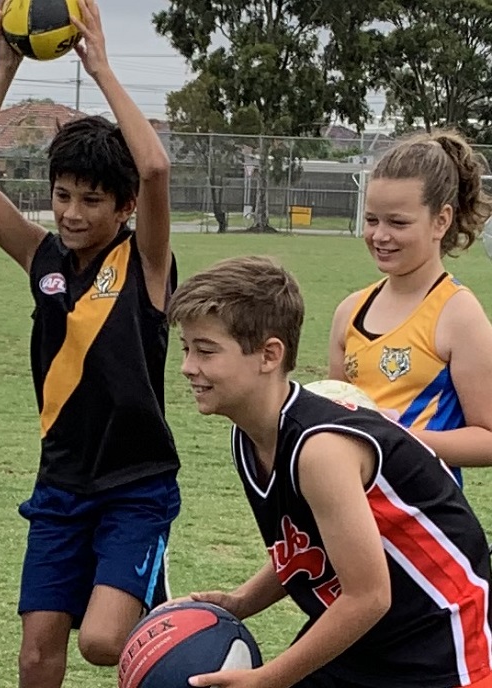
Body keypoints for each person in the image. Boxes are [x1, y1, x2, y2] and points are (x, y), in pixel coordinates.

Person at [0, 1, 181, 685]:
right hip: (60, 483)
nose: (73, 214)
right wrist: (4, 67)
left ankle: (163, 606)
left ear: (124, 207)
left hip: (136, 486)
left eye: (92, 201)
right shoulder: (42, 259)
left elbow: (158, 170)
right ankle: (145, 594)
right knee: (37, 652)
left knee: (104, 644)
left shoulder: (148, 264)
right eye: (63, 196)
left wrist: (100, 66)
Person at [170, 255, 492, 688]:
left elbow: (369, 596)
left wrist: (269, 678)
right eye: (186, 348)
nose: (189, 366)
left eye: (206, 351)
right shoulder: (249, 433)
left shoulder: (320, 450)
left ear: (269, 355)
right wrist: (243, 600)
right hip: (365, 634)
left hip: (436, 643)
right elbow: (307, 547)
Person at [328, 130, 492, 483]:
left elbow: (489, 439)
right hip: (351, 514)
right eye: (372, 220)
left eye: (398, 222)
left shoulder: (459, 315)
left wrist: (397, 439)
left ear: (441, 221)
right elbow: (335, 419)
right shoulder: (349, 311)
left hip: (425, 522)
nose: (380, 235)